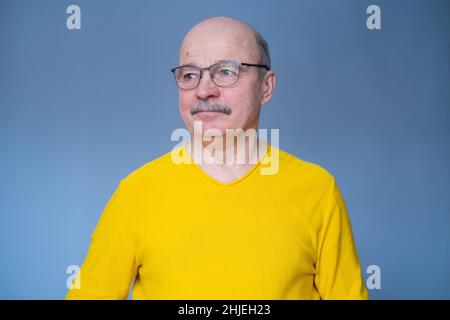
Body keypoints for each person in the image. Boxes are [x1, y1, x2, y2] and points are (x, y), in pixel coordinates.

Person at [66, 16, 369, 300]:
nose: (204, 90)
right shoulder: (135, 193)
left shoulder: (317, 189)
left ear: (266, 87)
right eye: (189, 74)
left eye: (226, 72)